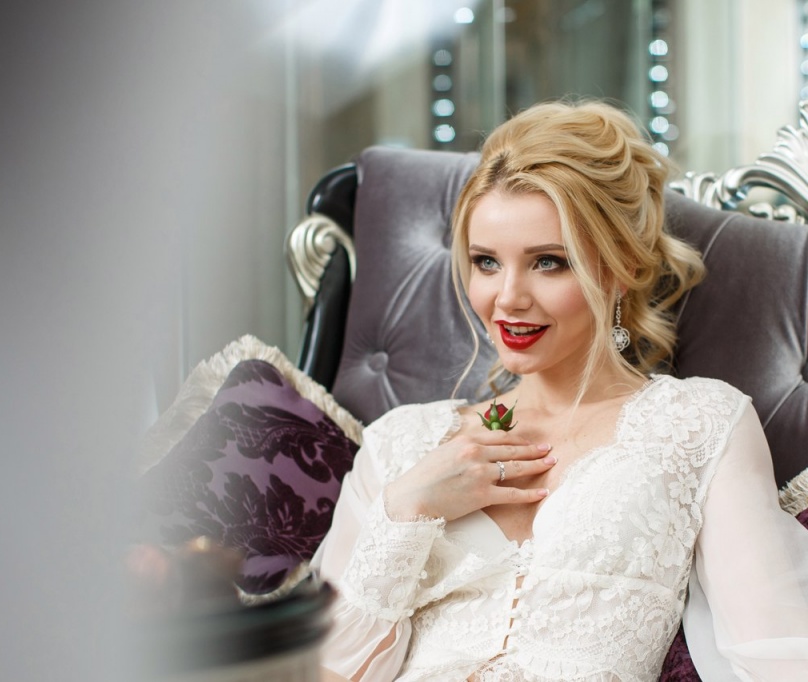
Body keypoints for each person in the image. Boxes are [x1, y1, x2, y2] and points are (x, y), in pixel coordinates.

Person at [310, 100, 808, 681]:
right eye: (486, 262)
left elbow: (777, 655)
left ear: (622, 266)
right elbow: (323, 672)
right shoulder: (399, 444)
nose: (507, 298)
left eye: (548, 262)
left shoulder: (699, 424)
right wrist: (408, 509)